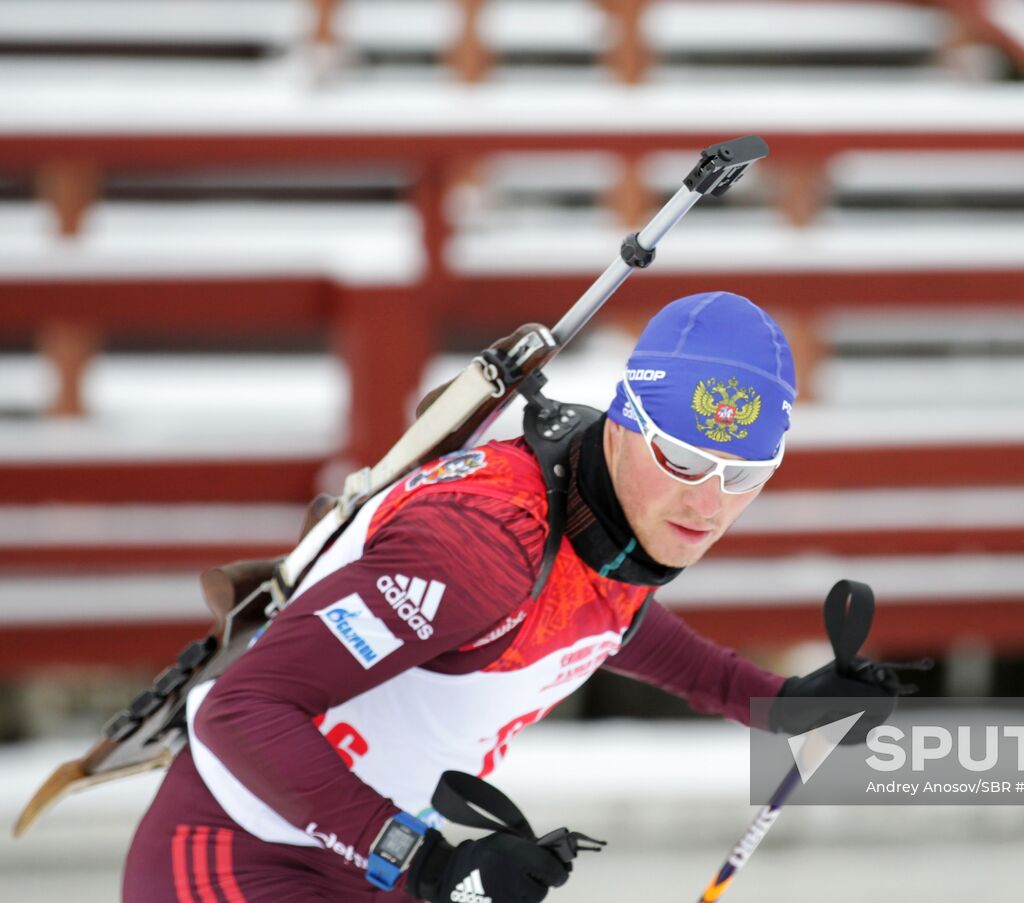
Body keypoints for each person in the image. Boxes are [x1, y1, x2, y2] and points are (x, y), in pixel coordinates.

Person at [121, 291, 899, 903]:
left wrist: (776, 702)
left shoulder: (609, 516)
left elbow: (612, 622)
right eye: (685, 459)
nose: (708, 502)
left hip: (368, 863)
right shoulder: (479, 548)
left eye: (745, 476)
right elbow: (238, 712)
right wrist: (426, 863)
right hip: (238, 852)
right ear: (626, 421)